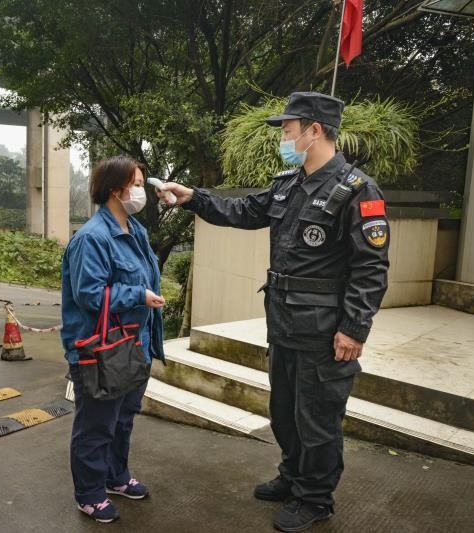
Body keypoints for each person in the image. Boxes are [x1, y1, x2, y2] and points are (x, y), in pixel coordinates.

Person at [159, 92, 390, 532]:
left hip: (325, 331)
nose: (283, 137)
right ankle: (293, 476)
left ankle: (315, 498)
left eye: (288, 129)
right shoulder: (289, 184)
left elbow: (371, 268)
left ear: (314, 130)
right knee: (284, 411)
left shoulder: (358, 191)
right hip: (284, 323)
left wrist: (353, 329)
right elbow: (242, 210)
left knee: (318, 418)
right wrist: (192, 197)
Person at [60, 156, 165, 523]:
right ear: (115, 190)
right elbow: (89, 293)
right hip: (99, 350)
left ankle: (115, 477)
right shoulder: (92, 238)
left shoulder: (136, 231)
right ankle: (89, 493)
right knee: (96, 424)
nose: (141, 190)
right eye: (136, 183)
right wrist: (138, 296)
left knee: (123, 419)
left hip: (134, 344)